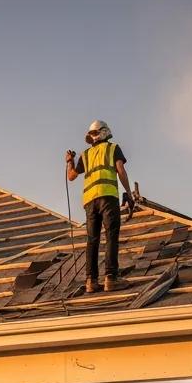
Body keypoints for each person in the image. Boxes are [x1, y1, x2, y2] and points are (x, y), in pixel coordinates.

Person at [65, 120, 133, 294]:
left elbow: (71, 176)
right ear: (104, 132)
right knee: (111, 236)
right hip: (108, 197)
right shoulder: (112, 148)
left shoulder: (85, 155)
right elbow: (121, 171)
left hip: (89, 201)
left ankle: (91, 282)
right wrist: (129, 194)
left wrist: (70, 161)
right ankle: (111, 278)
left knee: (92, 240)